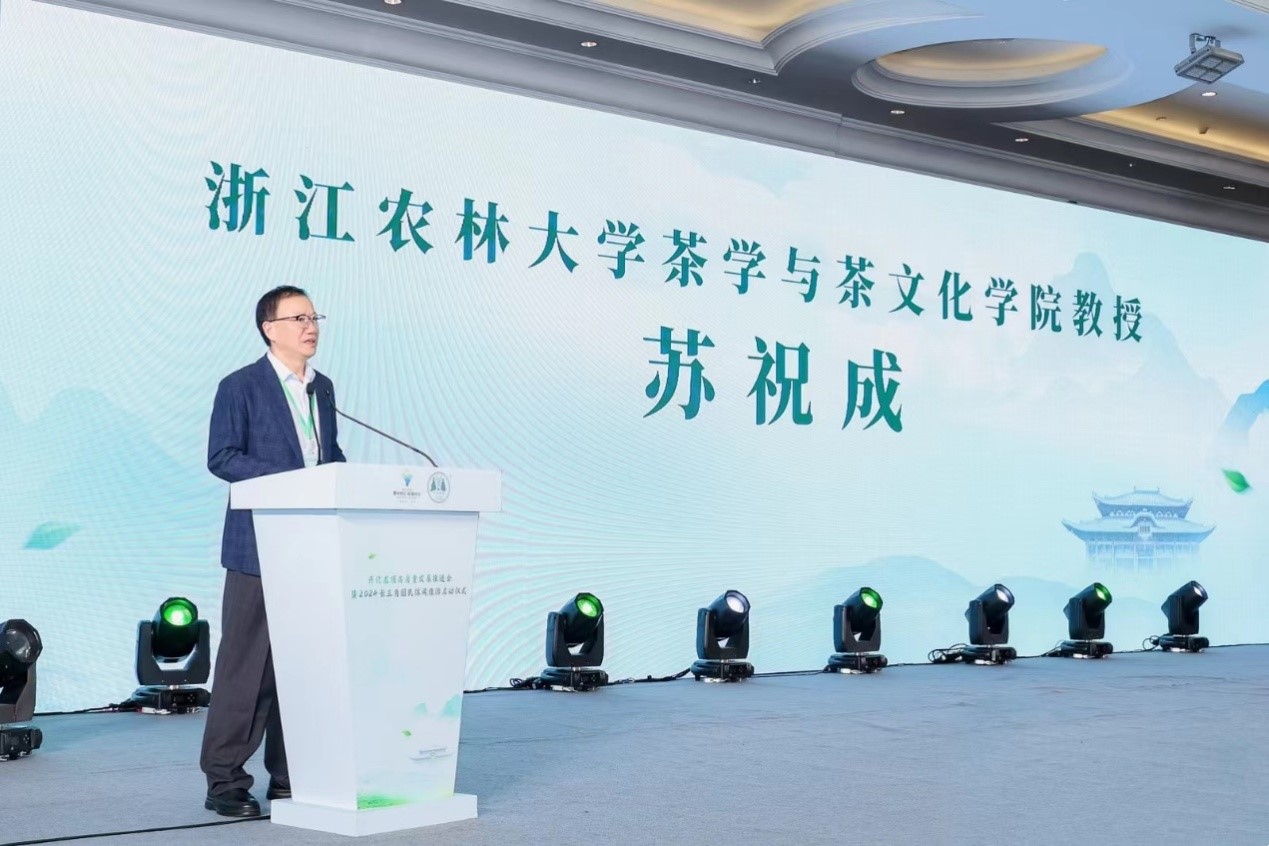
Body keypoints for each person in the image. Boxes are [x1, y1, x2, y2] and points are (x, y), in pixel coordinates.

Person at [200, 286, 346, 817]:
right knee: (247, 669)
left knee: (304, 666)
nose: (311, 326)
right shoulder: (240, 386)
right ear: (270, 328)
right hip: (258, 548)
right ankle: (225, 782)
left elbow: (327, 455)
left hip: (315, 547)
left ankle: (290, 775)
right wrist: (293, 481)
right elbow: (223, 457)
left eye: (314, 316)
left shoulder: (322, 389)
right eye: (298, 317)